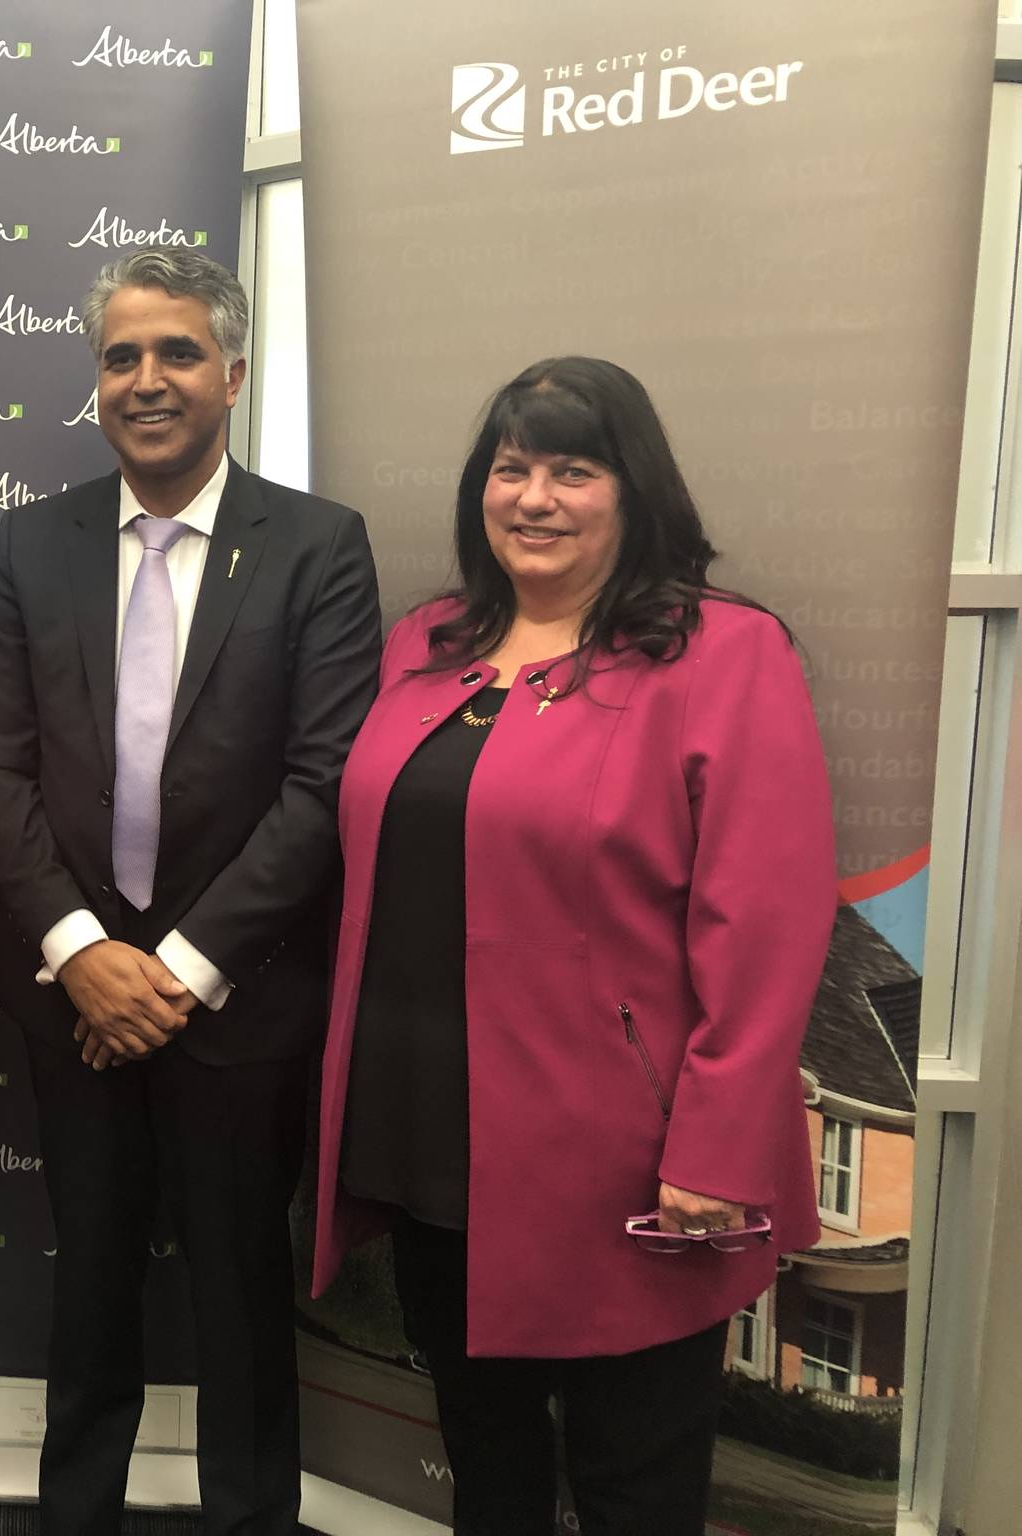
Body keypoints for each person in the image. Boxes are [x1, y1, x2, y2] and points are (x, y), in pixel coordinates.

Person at [311, 356, 837, 1535]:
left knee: (632, 1488)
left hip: (630, 1163)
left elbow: (763, 921)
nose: (533, 498)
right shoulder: (426, 642)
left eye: (571, 470)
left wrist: (714, 1145)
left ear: (631, 491)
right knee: (484, 1466)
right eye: (510, 469)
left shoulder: (720, 655)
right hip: (433, 1137)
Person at [0, 248, 383, 1535]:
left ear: (232, 375)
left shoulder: (317, 547)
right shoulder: (34, 542)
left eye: (177, 353)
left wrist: (176, 972)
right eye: (120, 357)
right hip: (71, 993)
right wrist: (85, 953)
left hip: (238, 1002)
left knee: (241, 1303)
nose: (146, 381)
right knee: (85, 1290)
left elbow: (322, 788)